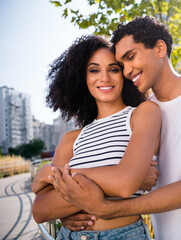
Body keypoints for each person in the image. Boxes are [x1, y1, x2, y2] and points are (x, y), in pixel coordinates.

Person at [50, 16, 181, 239]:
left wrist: (108, 209)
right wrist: (75, 209)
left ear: (160, 48)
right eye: (122, 65)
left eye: (131, 57)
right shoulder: (142, 114)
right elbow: (115, 174)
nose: (127, 70)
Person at [31, 34, 161, 239]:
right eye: (94, 70)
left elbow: (125, 184)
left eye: (113, 69)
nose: (104, 78)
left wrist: (53, 175)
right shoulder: (71, 139)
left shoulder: (143, 114)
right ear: (82, 78)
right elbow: (41, 210)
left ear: (124, 74)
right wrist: (113, 177)